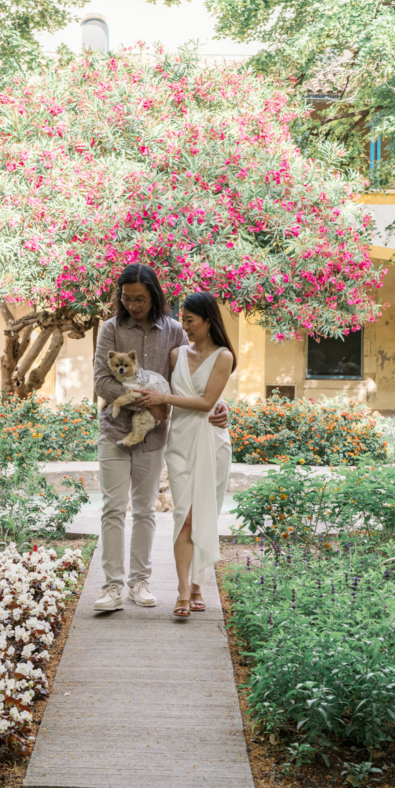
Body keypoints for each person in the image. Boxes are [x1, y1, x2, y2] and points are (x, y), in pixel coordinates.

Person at [92, 265, 228, 612]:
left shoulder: (173, 331)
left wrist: (220, 403)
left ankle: (140, 582)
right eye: (126, 298)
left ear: (154, 295)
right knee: (112, 509)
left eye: (139, 298)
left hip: (154, 436)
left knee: (145, 511)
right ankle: (111, 587)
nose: (133, 305)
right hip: (115, 430)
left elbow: (194, 373)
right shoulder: (110, 329)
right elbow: (101, 382)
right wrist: (145, 401)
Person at [132, 292, 235, 618]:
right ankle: (181, 590)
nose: (185, 325)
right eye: (183, 319)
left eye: (190, 320)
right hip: (180, 442)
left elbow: (207, 403)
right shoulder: (175, 355)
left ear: (208, 320)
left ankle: (196, 587)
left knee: (204, 514)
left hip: (211, 441)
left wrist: (221, 407)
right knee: (184, 517)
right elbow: (155, 384)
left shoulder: (224, 357)